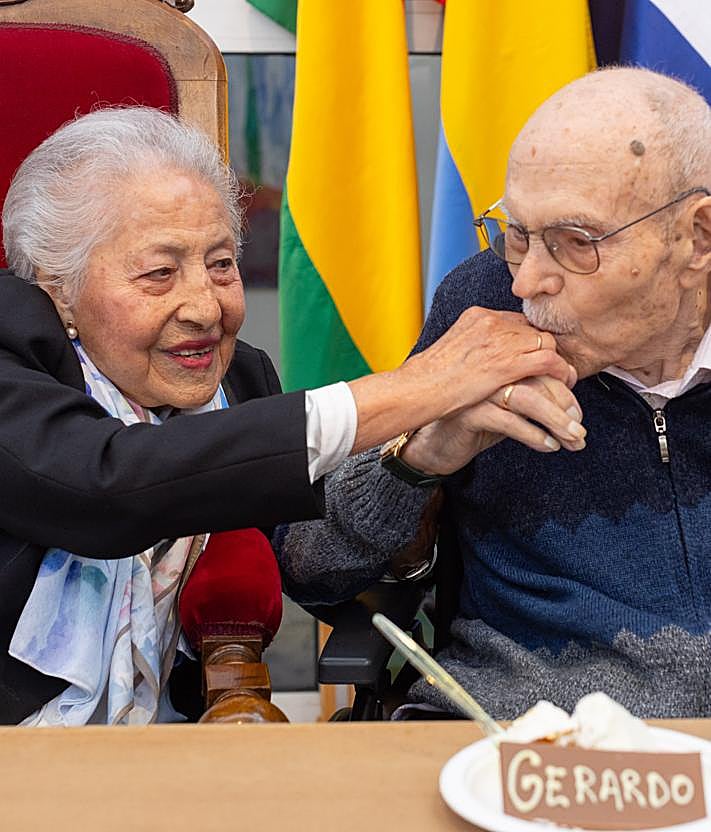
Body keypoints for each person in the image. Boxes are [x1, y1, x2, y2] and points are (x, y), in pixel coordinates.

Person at [0, 107, 577, 725]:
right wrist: (413, 389)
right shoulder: (11, 347)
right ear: (58, 286)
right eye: (159, 273)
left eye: (222, 265)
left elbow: (314, 570)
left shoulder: (239, 380)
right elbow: (107, 486)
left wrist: (419, 462)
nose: (205, 307)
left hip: (167, 751)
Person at [276, 66, 711, 720]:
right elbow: (313, 571)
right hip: (507, 737)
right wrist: (419, 456)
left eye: (573, 244)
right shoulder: (479, 304)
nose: (527, 281)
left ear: (696, 237)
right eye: (515, 234)